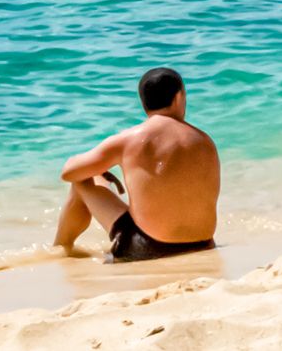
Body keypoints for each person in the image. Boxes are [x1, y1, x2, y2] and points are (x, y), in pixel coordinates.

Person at [54, 67, 220, 261]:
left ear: (144, 103)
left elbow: (68, 173)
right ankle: (62, 249)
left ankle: (60, 249)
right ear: (179, 97)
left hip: (148, 248)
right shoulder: (205, 141)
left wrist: (90, 167)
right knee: (95, 175)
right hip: (204, 244)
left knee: (82, 182)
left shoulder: (130, 139)